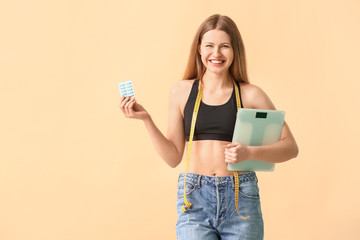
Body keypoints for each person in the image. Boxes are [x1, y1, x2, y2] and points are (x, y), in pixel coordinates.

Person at [119, 14, 298, 240]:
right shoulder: (181, 92)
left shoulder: (251, 94)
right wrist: (146, 119)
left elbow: (291, 147)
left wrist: (249, 153)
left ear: (235, 51)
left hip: (240, 198)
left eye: (224, 46)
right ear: (199, 49)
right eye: (209, 46)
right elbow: (173, 157)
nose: (216, 53)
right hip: (195, 197)